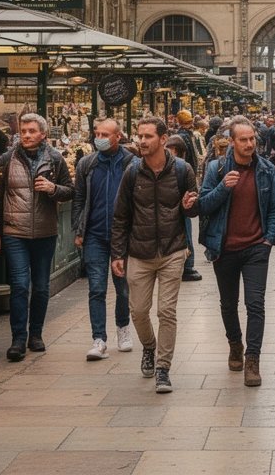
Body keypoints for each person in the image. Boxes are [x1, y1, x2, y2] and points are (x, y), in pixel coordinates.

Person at [111, 117, 200, 393]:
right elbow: (121, 215)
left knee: (166, 311)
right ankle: (149, 346)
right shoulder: (132, 172)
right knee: (137, 311)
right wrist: (117, 252)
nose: (142, 141)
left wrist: (190, 205)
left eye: (148, 136)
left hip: (173, 250)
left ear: (163, 139)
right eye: (140, 136)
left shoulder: (183, 170)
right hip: (139, 250)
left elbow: (194, 209)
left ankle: (163, 368)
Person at [197, 116, 275, 386]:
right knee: (228, 303)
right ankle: (235, 344)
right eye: (243, 140)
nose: (249, 144)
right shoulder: (216, 169)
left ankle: (253, 359)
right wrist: (224, 187)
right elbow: (203, 206)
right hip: (224, 248)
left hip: (256, 247)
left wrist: (268, 240)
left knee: (255, 304)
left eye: (252, 139)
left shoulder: (267, 170)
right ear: (231, 142)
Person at [0, 113, 75, 361]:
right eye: (23, 131)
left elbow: (70, 191)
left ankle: (36, 334)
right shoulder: (6, 160)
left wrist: (53, 189)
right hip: (15, 231)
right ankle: (18, 339)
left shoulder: (55, 159)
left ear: (43, 134)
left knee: (41, 287)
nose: (26, 135)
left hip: (45, 232)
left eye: (32, 131)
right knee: (20, 285)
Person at [72, 118, 135, 361]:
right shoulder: (87, 164)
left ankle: (123, 328)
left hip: (123, 236)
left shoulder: (132, 164)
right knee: (96, 288)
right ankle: (99, 339)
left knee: (123, 288)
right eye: (96, 133)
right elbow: (79, 198)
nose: (99, 137)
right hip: (95, 235)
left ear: (118, 136)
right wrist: (79, 229)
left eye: (105, 134)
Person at [172, 110, 204, 282]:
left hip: (185, 187)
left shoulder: (180, 136)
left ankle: (187, 264)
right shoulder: (186, 136)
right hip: (186, 187)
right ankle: (188, 265)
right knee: (186, 226)